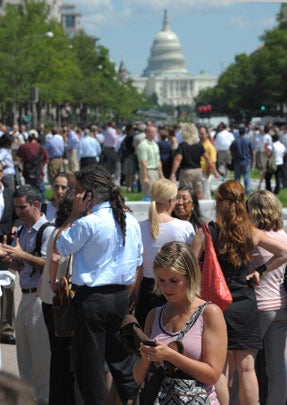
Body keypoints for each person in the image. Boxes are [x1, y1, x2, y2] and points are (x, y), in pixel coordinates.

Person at [191, 179, 287, 405]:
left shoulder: (206, 232)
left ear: (218, 202)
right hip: (245, 301)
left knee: (219, 368)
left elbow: (190, 267)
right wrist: (259, 272)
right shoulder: (250, 231)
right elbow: (283, 252)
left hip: (216, 305)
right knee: (246, 367)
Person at [54, 165, 143, 405]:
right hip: (119, 297)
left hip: (92, 299)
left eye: (77, 191)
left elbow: (59, 246)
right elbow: (137, 262)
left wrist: (73, 214)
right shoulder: (131, 221)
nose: (74, 195)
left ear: (88, 194)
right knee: (123, 366)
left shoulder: (88, 223)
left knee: (90, 370)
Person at [133, 241, 228, 404]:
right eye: (161, 280)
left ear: (190, 276)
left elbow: (213, 375)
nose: (166, 287)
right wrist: (146, 356)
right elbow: (137, 377)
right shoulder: (154, 315)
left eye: (174, 280)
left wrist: (171, 356)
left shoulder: (209, 313)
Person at [1, 185, 55, 404]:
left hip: (41, 300)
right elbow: (23, 266)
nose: (19, 212)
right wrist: (10, 259)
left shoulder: (48, 230)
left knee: (42, 361)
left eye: (22, 207)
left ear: (35, 204)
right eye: (16, 208)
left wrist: (21, 254)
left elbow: (48, 265)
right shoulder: (23, 231)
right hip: (25, 296)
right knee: (24, 360)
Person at [135, 179, 195, 328]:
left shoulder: (139, 227)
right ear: (170, 201)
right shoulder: (184, 227)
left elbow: (138, 268)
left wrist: (135, 299)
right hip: (177, 287)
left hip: (148, 290)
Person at [247, 190, 287, 405]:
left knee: (244, 364)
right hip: (281, 304)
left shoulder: (255, 236)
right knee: (278, 366)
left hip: (258, 305)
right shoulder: (283, 234)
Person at [38, 191, 76, 405]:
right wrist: (54, 284)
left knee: (59, 358)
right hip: (58, 302)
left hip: (51, 300)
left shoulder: (58, 229)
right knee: (63, 360)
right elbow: (54, 258)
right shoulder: (65, 231)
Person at [170, 123, 219, 200]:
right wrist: (215, 171)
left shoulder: (182, 145)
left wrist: (173, 173)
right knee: (199, 193)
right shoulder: (199, 145)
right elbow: (208, 159)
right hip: (198, 171)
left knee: (185, 192)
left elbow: (178, 159)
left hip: (187, 171)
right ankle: (199, 208)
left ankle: (188, 209)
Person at [0, 160, 19, 346]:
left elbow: (17, 216)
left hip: (6, 245)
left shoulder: (9, 193)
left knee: (7, 286)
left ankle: (6, 329)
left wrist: (15, 226)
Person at [17, 130, 49, 203]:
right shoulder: (41, 147)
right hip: (39, 175)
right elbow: (47, 160)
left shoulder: (23, 146)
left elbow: (18, 158)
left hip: (27, 174)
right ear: (37, 138)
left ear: (28, 137)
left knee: (29, 197)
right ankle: (42, 212)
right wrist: (41, 164)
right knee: (41, 197)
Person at [137, 125, 164, 200]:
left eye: (155, 132)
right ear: (146, 133)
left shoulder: (155, 144)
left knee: (157, 194)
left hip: (155, 171)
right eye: (152, 132)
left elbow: (158, 161)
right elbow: (143, 162)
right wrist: (145, 177)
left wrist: (161, 175)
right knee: (149, 194)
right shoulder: (143, 145)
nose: (154, 134)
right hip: (148, 171)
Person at [230, 123, 254, 195]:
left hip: (237, 161)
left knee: (237, 178)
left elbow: (231, 152)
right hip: (246, 161)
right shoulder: (248, 141)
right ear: (245, 132)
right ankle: (248, 191)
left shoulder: (235, 141)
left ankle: (237, 191)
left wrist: (234, 158)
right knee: (247, 177)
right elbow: (252, 152)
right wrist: (252, 160)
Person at [198, 125, 217, 199]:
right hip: (199, 172)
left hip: (205, 173)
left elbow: (212, 162)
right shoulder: (199, 144)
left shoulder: (210, 146)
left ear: (207, 134)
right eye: (199, 133)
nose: (200, 135)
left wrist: (208, 174)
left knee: (206, 193)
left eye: (202, 133)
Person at [264, 130, 285, 195]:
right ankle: (277, 191)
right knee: (277, 178)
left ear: (273, 139)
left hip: (273, 164)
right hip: (280, 163)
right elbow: (283, 154)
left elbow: (268, 153)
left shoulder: (272, 145)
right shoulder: (282, 145)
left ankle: (268, 189)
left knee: (267, 177)